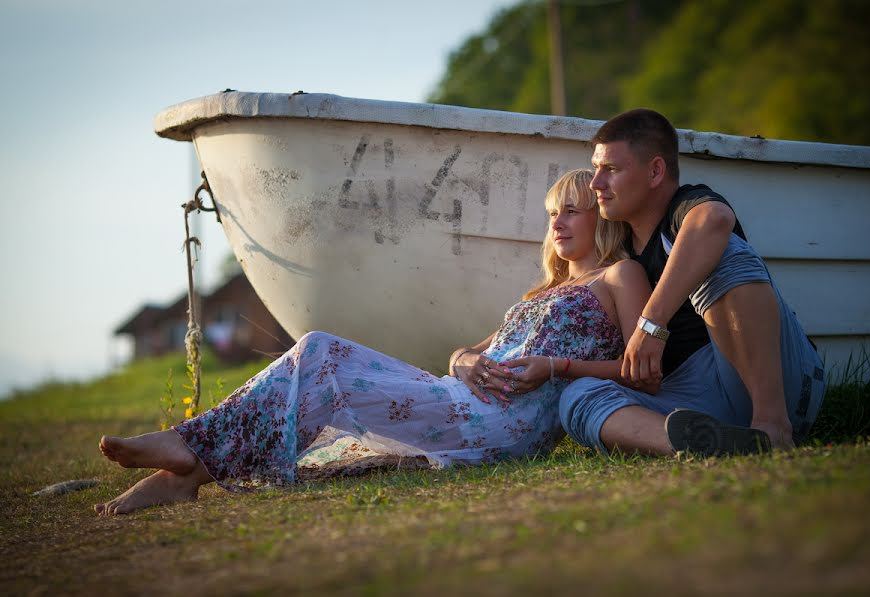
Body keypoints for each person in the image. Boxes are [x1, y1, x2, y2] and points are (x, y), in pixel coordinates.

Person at [94, 169, 653, 515]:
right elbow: (474, 349)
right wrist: (462, 359)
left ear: (600, 215)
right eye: (553, 212)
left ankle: (186, 453)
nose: (557, 223)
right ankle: (186, 470)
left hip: (505, 424)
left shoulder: (620, 277)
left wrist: (558, 367)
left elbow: (640, 371)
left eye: (572, 210)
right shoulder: (545, 289)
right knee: (318, 359)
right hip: (464, 397)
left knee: (319, 354)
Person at [559, 108, 826, 458]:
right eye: (596, 168)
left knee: (723, 249)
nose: (596, 183)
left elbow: (715, 219)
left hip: (774, 383)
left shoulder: (685, 207)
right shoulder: (618, 248)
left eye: (610, 169)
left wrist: (651, 325)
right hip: (691, 396)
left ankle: (774, 428)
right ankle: (700, 444)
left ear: (655, 171)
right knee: (577, 396)